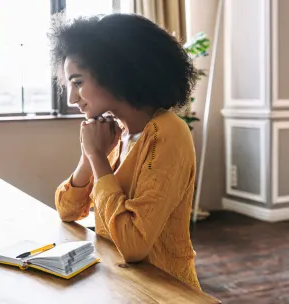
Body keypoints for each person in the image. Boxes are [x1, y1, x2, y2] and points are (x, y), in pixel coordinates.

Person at [50, 13, 201, 289]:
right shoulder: (116, 133)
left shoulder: (168, 132)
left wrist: (97, 157)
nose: (71, 98)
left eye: (78, 82)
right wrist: (89, 157)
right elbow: (66, 210)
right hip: (120, 284)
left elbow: (134, 245)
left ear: (115, 72)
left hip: (166, 291)